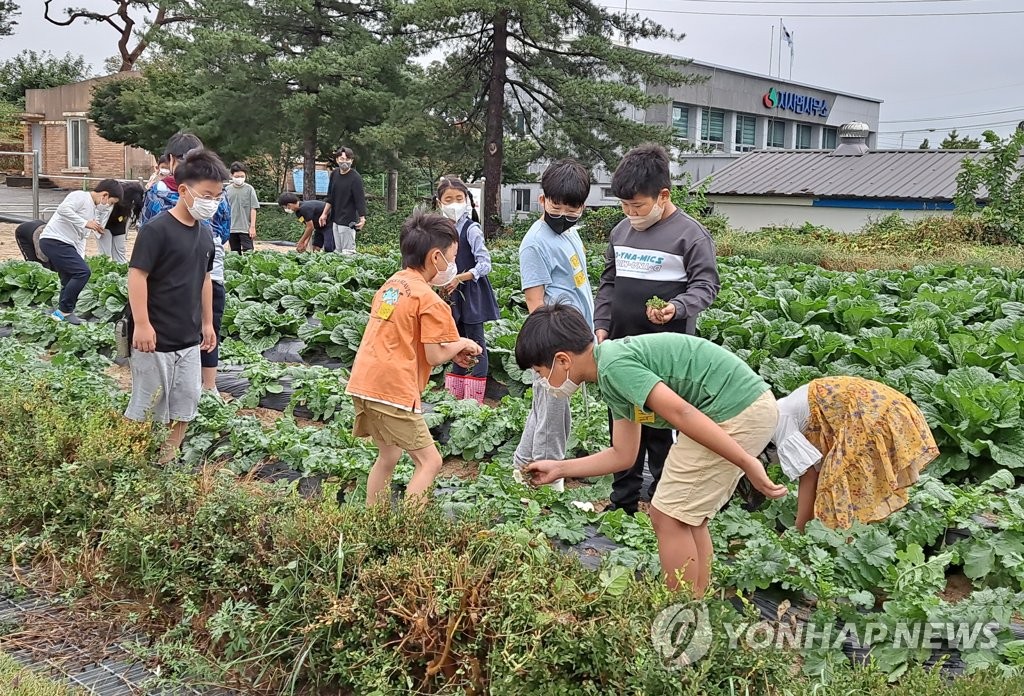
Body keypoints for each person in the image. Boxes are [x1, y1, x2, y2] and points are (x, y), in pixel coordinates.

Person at [519, 304, 785, 597]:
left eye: (540, 372)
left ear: (562, 360)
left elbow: (681, 413)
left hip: (736, 410)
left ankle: (679, 607)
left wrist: (748, 462)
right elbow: (623, 454)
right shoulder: (609, 371)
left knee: (667, 515)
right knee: (687, 516)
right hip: (742, 405)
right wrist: (560, 468)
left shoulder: (615, 366)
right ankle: (696, 598)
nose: (543, 381)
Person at [596, 143, 722, 516]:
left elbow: (706, 285)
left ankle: (664, 505)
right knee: (623, 422)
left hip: (666, 355)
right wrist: (602, 325)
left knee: (661, 431)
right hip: (621, 349)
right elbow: (609, 283)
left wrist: (677, 307)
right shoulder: (621, 232)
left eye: (637, 206)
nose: (631, 214)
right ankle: (623, 502)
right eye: (625, 206)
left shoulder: (690, 236)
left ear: (663, 196)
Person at [345, 209, 482, 507]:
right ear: (436, 257)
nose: (453, 264)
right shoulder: (431, 300)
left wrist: (452, 351)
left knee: (389, 455)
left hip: (363, 381)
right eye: (452, 255)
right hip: (393, 389)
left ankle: (374, 521)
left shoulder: (393, 285)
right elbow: (434, 355)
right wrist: (462, 342)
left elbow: (403, 335)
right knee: (430, 461)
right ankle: (407, 531)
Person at [124, 149, 223, 464]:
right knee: (147, 406)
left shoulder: (205, 234)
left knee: (185, 404)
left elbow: (205, 279)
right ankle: (131, 462)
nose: (213, 202)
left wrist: (207, 324)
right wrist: (142, 323)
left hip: (189, 338)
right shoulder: (157, 230)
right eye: (208, 195)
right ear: (184, 190)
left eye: (217, 196)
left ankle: (166, 461)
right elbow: (137, 275)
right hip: (155, 338)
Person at [512, 159, 595, 493]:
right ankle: (549, 485)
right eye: (555, 205)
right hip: (555, 348)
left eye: (571, 208)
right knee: (554, 418)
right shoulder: (535, 243)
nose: (563, 213)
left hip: (574, 341)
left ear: (582, 206)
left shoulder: (571, 234)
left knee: (544, 411)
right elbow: (536, 305)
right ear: (542, 200)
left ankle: (522, 468)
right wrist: (553, 357)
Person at [772, 377, 939, 532]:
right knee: (845, 488)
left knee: (836, 491)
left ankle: (839, 542)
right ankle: (854, 537)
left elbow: (808, 476)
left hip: (869, 414)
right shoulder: (780, 408)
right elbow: (816, 472)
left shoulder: (777, 421)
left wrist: (798, 530)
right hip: (887, 405)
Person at [140, 132, 231, 392]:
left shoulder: (158, 193)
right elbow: (223, 231)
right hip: (182, 274)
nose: (211, 201)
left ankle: (202, 388)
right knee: (188, 324)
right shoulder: (169, 197)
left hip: (199, 271)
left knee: (206, 326)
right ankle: (198, 387)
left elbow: (145, 225)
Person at [435, 176, 499, 404]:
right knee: (455, 340)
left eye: (459, 198)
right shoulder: (441, 230)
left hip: (470, 293)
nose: (454, 203)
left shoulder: (472, 229)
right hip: (451, 295)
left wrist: (460, 278)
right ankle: (455, 396)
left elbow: (485, 263)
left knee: (476, 342)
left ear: (468, 201)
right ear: (439, 202)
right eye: (448, 199)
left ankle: (475, 400)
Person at [37, 179, 123, 324]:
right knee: (82, 272)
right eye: (111, 202)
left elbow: (81, 238)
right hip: (54, 240)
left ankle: (59, 315)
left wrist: (80, 257)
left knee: (69, 277)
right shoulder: (80, 196)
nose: (109, 206)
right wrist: (85, 223)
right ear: (104, 195)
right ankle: (66, 310)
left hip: (66, 244)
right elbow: (63, 210)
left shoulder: (93, 210)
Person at [319, 147, 366, 255]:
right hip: (335, 218)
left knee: (348, 252)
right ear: (337, 160)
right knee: (338, 252)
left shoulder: (355, 178)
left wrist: (362, 218)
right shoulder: (334, 174)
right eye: (342, 159)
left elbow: (360, 199)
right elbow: (330, 196)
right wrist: (324, 214)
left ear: (352, 161)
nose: (344, 162)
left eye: (347, 159)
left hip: (348, 220)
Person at [97, 181, 145, 264]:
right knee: (105, 256)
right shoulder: (114, 197)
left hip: (120, 225)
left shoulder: (128, 202)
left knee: (119, 254)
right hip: (105, 226)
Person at [226, 162, 259, 253]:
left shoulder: (249, 189)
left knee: (249, 253)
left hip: (245, 229)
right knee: (234, 254)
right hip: (231, 228)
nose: (239, 178)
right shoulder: (227, 190)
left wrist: (252, 227)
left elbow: (253, 208)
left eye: (242, 176)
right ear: (231, 175)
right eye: (237, 176)